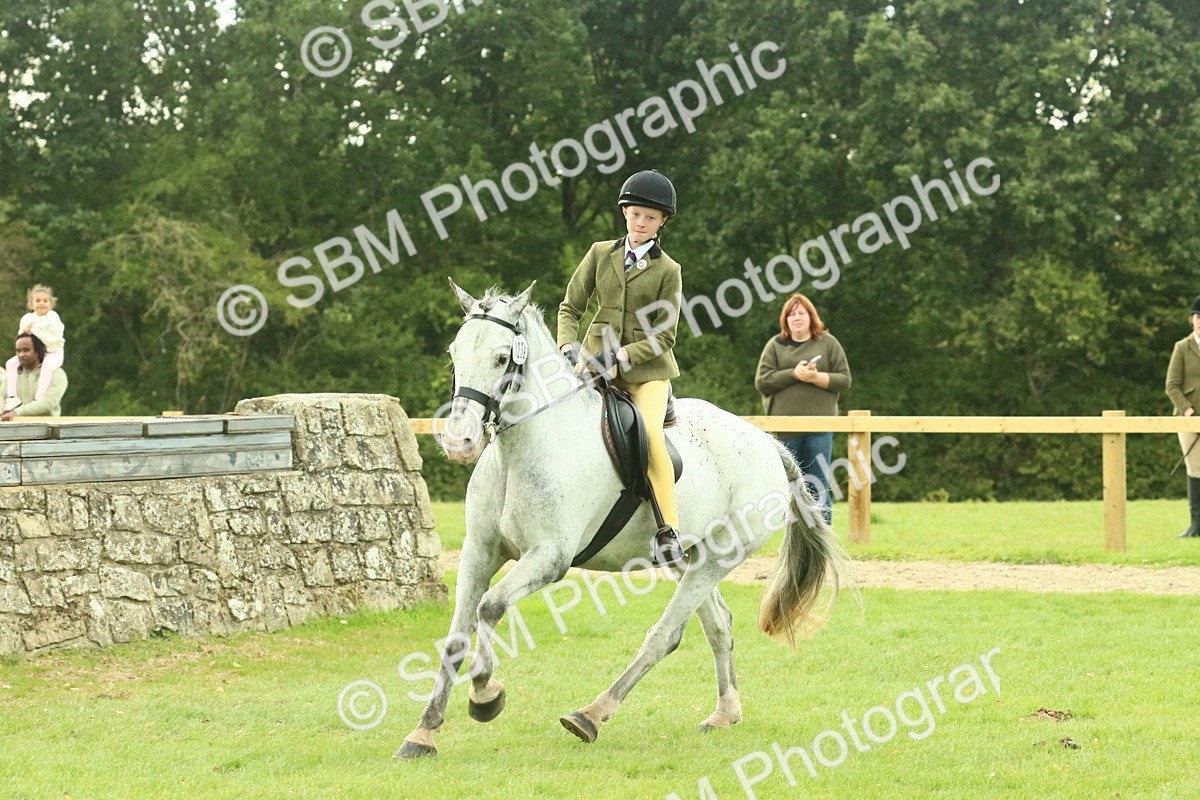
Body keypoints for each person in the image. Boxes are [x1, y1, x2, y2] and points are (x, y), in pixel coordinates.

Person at [557, 169, 686, 566]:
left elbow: (664, 336)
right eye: (635, 214)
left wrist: (626, 355)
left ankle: (668, 528)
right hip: (594, 364)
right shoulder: (599, 253)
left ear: (662, 221)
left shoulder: (669, 271)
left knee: (647, 433)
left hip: (647, 372)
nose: (641, 222)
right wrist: (566, 343)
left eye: (650, 217)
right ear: (624, 213)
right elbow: (570, 306)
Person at [755, 293, 852, 525]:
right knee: (792, 488)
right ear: (785, 320)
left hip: (820, 428)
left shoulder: (828, 343)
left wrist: (816, 377)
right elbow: (762, 382)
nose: (796, 318)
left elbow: (845, 380)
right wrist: (794, 374)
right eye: (791, 314)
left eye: (801, 313)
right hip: (784, 429)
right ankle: (797, 543)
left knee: (817, 482)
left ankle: (822, 538)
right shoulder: (775, 345)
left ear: (811, 317)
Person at [1165, 294, 1200, 538]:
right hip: (1189, 417)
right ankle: (1196, 524)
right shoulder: (1182, 347)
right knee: (1196, 468)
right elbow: (1172, 386)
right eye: (1198, 317)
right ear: (1192, 320)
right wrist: (1189, 411)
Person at [5, 284, 65, 412]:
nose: (41, 303)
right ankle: (11, 397)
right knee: (10, 363)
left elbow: (54, 339)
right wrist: (25, 332)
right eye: (38, 301)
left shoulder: (53, 318)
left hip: (53, 351)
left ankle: (39, 397)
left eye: (45, 300)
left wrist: (36, 331)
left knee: (47, 367)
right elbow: (22, 340)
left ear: (50, 304)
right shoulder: (27, 319)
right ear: (31, 305)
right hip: (36, 352)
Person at [0, 333, 68, 420]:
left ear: (38, 351)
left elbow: (48, 403)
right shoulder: (14, 373)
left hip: (47, 430)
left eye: (26, 350)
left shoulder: (56, 373)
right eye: (18, 351)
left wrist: (17, 412)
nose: (21, 355)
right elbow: (2, 395)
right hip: (16, 429)